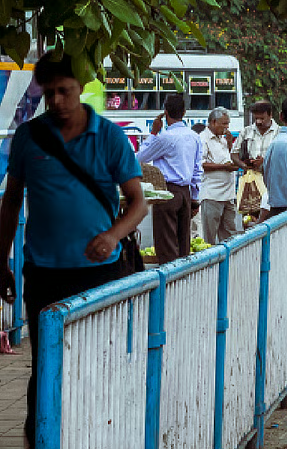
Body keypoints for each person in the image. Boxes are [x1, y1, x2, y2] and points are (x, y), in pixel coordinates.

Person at [0, 51, 146, 448]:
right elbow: (11, 201)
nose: (58, 102)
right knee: (46, 365)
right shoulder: (29, 137)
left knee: (97, 361)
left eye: (65, 92)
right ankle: (40, 439)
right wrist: (1, 262)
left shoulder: (110, 137)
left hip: (100, 273)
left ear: (82, 89)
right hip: (43, 271)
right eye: (50, 94)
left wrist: (114, 236)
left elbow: (137, 203)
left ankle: (96, 435)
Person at [137, 94, 204, 264]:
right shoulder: (194, 137)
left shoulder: (165, 137)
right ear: (184, 112)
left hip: (167, 192)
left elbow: (139, 157)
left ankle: (169, 285)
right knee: (183, 244)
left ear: (165, 113)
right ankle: (183, 283)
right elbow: (197, 170)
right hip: (185, 193)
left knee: (166, 244)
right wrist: (195, 199)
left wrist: (153, 132)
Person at [232, 101, 280, 222]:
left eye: (262, 118)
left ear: (270, 115)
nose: (259, 122)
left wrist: (264, 162)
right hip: (251, 182)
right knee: (249, 218)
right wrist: (244, 166)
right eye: (256, 118)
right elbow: (234, 154)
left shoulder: (279, 132)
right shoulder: (246, 131)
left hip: (271, 182)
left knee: (268, 218)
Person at [200, 107, 239, 244]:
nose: (227, 127)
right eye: (224, 123)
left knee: (229, 235)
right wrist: (224, 167)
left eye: (228, 123)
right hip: (212, 195)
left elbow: (228, 158)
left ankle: (229, 264)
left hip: (228, 195)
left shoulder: (223, 139)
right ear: (214, 122)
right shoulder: (203, 139)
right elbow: (201, 165)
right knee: (209, 238)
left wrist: (229, 144)